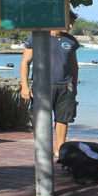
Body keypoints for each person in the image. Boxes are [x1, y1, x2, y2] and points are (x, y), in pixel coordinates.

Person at [20, 12, 80, 157]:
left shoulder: (71, 41)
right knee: (42, 118)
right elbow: (25, 62)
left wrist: (75, 87)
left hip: (66, 86)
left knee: (63, 119)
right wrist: (25, 85)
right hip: (43, 85)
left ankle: (60, 151)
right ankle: (43, 150)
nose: (71, 26)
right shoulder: (37, 37)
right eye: (69, 23)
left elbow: (73, 64)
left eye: (72, 23)